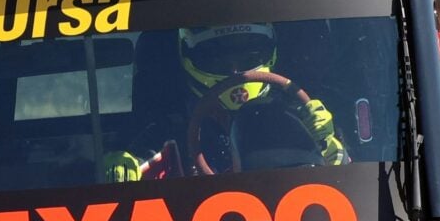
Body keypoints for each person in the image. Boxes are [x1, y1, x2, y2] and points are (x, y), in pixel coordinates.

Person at [98, 23, 349, 180]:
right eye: (217, 57)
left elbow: (349, 189)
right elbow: (142, 166)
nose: (234, 70)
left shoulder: (302, 121)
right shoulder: (164, 133)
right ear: (188, 56)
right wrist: (122, 171)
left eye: (248, 54)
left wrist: (329, 147)